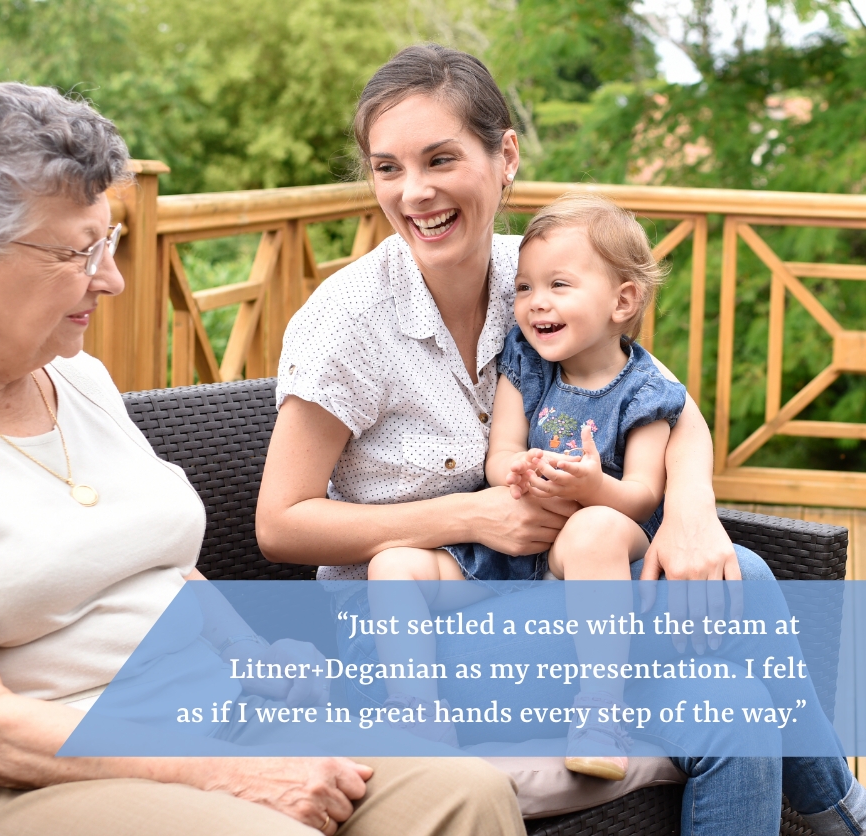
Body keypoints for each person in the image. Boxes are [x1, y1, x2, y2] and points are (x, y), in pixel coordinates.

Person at [0, 79, 525, 836]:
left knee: (464, 791)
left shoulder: (73, 374)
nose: (109, 278)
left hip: (208, 713)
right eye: (80, 252)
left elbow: (160, 567)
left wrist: (267, 668)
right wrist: (228, 773)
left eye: (106, 243)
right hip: (31, 780)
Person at [255, 43, 866, 836]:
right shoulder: (349, 322)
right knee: (744, 580)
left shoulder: (538, 274)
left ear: (503, 154)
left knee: (739, 711)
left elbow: (665, 405)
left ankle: (833, 814)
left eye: (441, 158)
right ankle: (840, 810)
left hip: (543, 605)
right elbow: (280, 524)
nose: (414, 193)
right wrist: (470, 518)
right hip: (417, 641)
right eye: (387, 168)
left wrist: (691, 511)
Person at [366, 193, 687, 781]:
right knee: (393, 565)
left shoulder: (645, 392)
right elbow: (502, 453)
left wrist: (595, 488)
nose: (536, 303)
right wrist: (512, 472)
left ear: (623, 301)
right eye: (523, 288)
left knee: (593, 531)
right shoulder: (528, 363)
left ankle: (599, 714)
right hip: (507, 546)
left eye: (559, 286)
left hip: (587, 550)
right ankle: (416, 715)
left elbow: (642, 494)